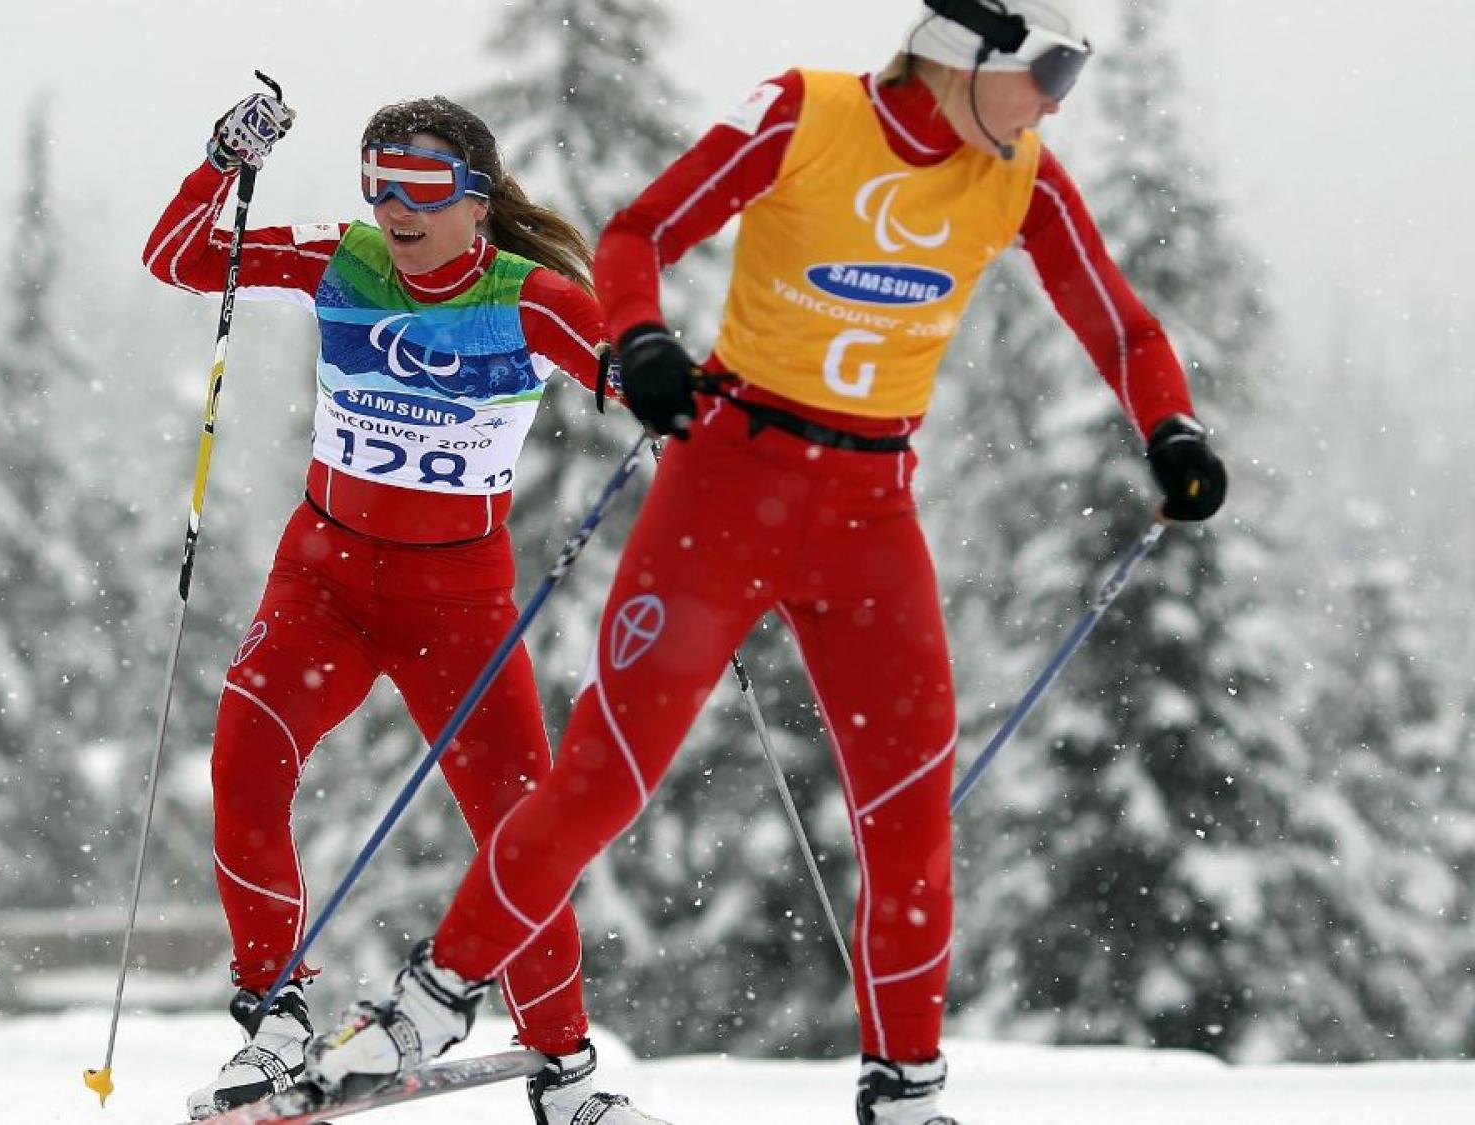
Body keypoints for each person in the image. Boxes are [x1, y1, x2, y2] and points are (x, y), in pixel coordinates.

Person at [300, 2, 1230, 1123]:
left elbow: (1121, 328)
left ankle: (903, 1095)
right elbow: (638, 230)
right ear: (963, 55)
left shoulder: (1016, 175)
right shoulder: (806, 114)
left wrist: (1168, 428)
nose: (1052, 101)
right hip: (726, 490)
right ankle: (430, 1002)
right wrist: (639, 338)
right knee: (601, 780)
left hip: (869, 518)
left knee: (909, 812)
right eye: (1048, 69)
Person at [144, 89, 671, 1125]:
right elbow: (180, 259)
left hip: (458, 612)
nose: (394, 205)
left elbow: (635, 372)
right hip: (322, 587)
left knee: (518, 833)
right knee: (245, 763)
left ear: (477, 199)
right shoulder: (343, 260)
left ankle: (563, 1074)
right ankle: (276, 1020)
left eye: (423, 185)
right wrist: (219, 162)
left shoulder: (531, 299)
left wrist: (667, 391)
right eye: (377, 181)